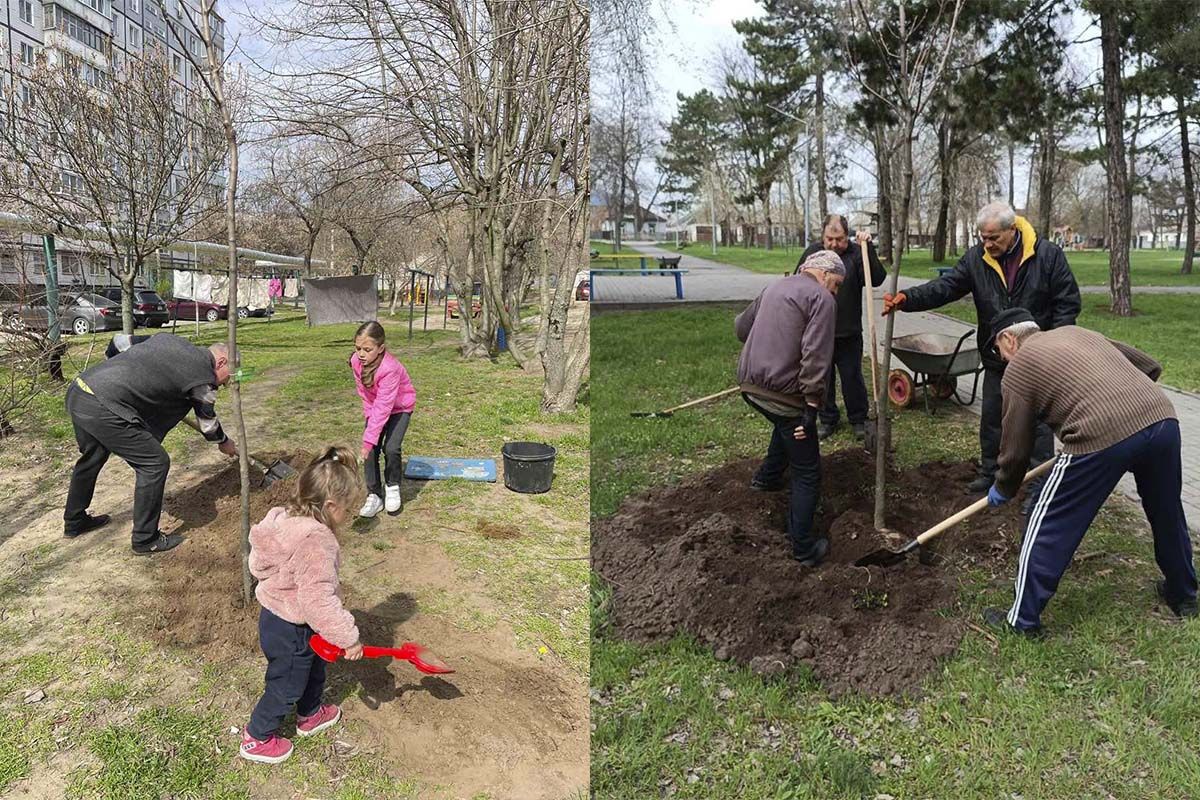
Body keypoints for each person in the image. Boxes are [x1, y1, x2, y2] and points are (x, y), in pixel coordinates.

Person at [979, 308, 1197, 637]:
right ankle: (1184, 596)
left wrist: (1004, 486)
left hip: (1097, 435)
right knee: (1167, 510)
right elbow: (1148, 365)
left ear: (1009, 338)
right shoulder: (1078, 334)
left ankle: (1021, 621)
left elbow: (1016, 446)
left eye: (998, 350)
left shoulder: (1020, 367)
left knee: (1049, 520)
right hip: (1161, 418)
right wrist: (1126, 406)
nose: (1003, 359)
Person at [880, 201, 1081, 502]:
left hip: (1038, 360)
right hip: (997, 356)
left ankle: (1040, 485)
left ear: (1012, 230)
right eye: (982, 237)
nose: (987, 244)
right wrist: (907, 298)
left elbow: (1067, 303)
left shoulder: (1047, 256)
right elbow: (946, 287)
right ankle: (991, 473)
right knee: (992, 419)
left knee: (1038, 425)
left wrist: (1053, 344)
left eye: (993, 238)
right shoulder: (977, 259)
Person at [240, 446, 366, 764]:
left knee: (313, 668)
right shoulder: (316, 541)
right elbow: (317, 599)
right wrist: (347, 637)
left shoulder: (284, 519)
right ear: (330, 506)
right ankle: (256, 736)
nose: (349, 518)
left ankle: (310, 715)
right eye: (348, 511)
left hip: (277, 616)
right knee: (286, 684)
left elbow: (260, 565)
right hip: (291, 625)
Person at [63, 333, 237, 554]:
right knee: (154, 463)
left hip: (81, 390)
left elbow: (118, 342)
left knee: (93, 456)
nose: (224, 384)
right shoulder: (203, 377)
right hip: (103, 405)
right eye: (227, 377)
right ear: (221, 362)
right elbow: (208, 425)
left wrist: (115, 374)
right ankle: (146, 539)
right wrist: (224, 441)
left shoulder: (169, 340)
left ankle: (75, 520)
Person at [735, 249, 844, 567]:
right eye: (836, 284)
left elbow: (741, 329)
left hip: (751, 389)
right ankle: (804, 548)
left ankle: (766, 479)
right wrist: (811, 407)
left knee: (784, 427)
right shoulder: (822, 300)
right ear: (823, 274)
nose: (835, 291)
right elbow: (816, 355)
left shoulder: (774, 286)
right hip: (786, 398)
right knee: (807, 471)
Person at [793, 215, 887, 440]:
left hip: (849, 330)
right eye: (829, 238)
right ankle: (827, 419)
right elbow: (799, 279)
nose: (834, 244)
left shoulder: (857, 252)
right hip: (819, 331)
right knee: (824, 378)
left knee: (852, 376)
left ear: (848, 236)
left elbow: (877, 279)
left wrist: (869, 248)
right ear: (822, 236)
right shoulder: (813, 253)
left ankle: (858, 419)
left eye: (840, 239)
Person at [350, 321, 416, 517]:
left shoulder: (390, 369)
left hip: (399, 408)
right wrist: (369, 433)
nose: (361, 354)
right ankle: (374, 495)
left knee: (391, 447)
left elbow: (384, 406)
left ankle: (393, 486)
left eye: (367, 349)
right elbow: (364, 393)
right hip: (375, 407)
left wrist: (369, 438)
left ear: (381, 349)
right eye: (358, 348)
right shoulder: (356, 361)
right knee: (371, 449)